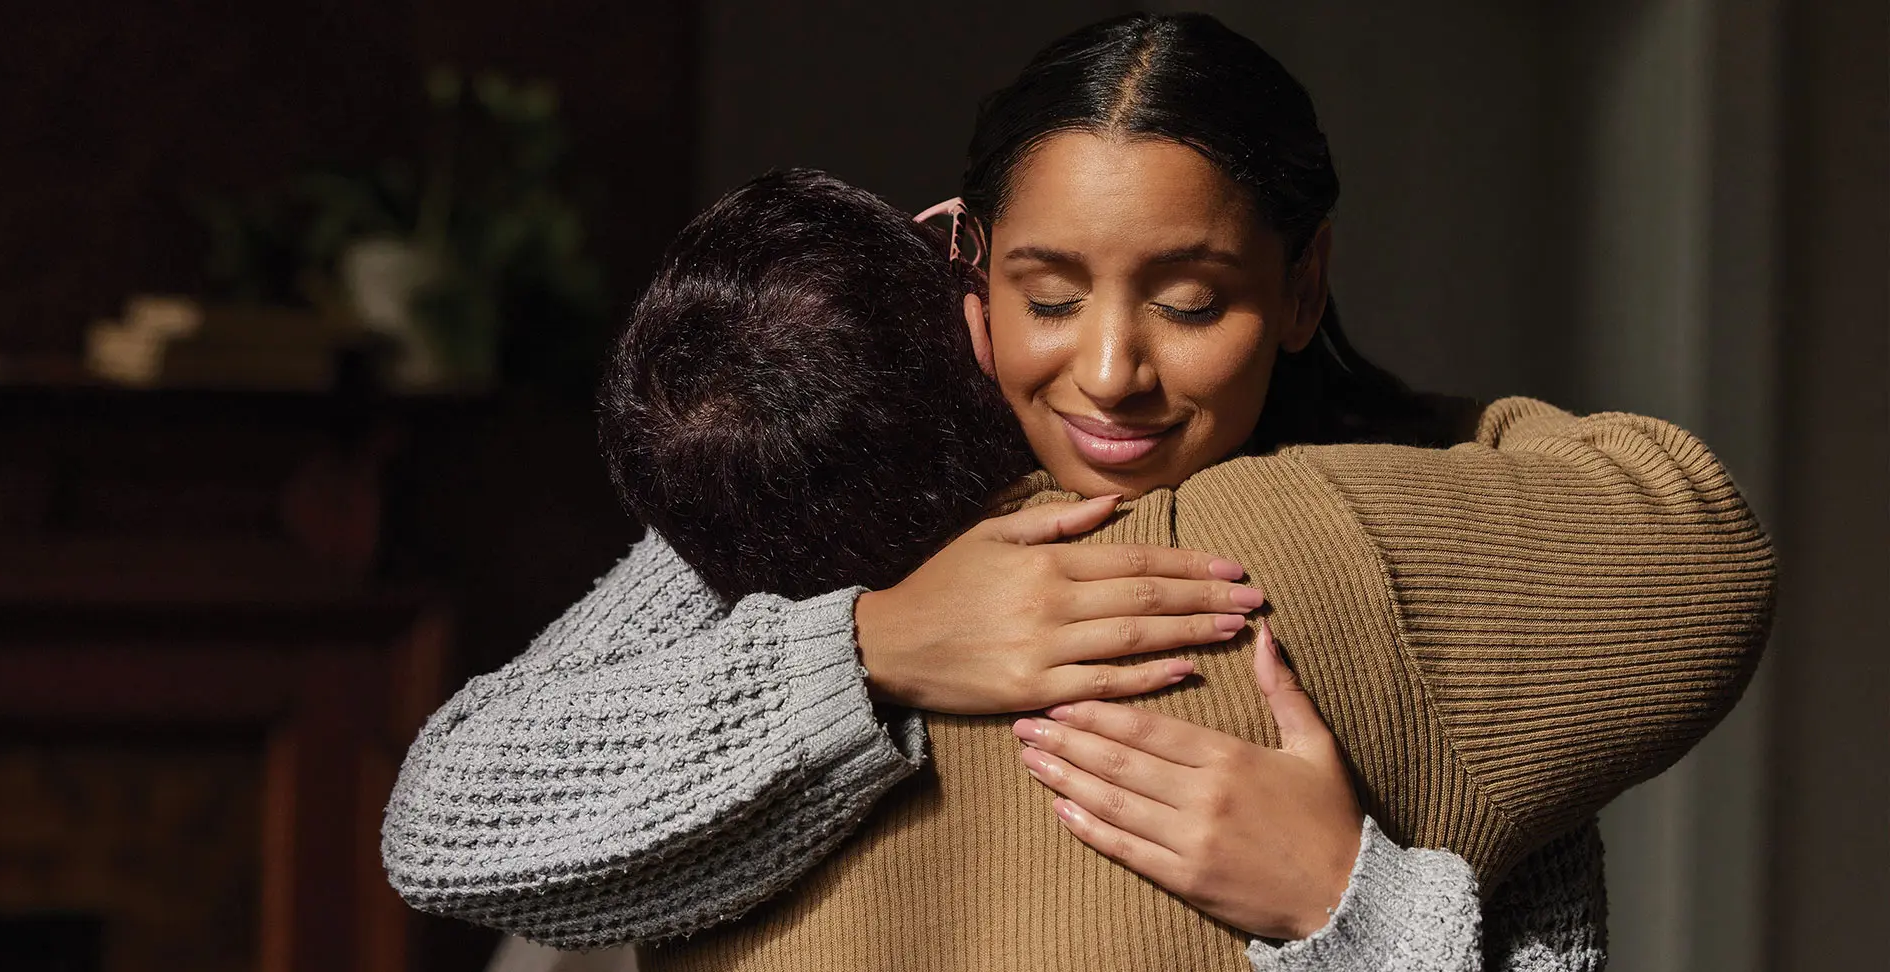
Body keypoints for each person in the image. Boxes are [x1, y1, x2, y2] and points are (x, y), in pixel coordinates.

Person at [384, 14, 1773, 971]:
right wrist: (875, 648)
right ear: (967, 271)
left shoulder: (1437, 563)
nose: (1112, 372)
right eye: (1048, 296)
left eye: (1191, 300)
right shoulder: (823, 511)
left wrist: (1350, 906)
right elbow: (451, 818)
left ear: (1304, 286)